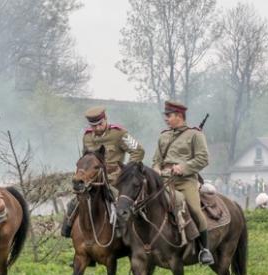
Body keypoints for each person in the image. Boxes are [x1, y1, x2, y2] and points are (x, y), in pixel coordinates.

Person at [61, 106, 145, 238]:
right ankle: (68, 229)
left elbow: (138, 151)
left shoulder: (119, 133)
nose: (98, 128)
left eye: (100, 124)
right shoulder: (87, 137)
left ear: (106, 119)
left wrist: (127, 171)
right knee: (75, 202)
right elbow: (86, 158)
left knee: (119, 204)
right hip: (94, 180)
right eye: (94, 126)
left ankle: (125, 236)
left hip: (114, 179)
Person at [152, 100, 214, 265]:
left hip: (185, 180)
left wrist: (184, 167)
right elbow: (156, 160)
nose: (166, 119)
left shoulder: (195, 135)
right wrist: (157, 169)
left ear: (179, 116)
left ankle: (204, 249)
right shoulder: (164, 135)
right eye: (165, 115)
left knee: (194, 209)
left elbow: (203, 158)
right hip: (164, 180)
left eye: (169, 115)